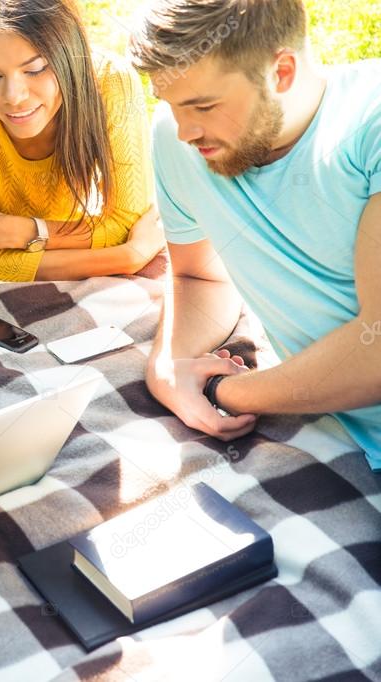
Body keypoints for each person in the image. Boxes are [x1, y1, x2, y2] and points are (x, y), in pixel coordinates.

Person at [130, 0, 381, 469]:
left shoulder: (370, 125)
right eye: (170, 104)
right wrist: (169, 370)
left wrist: (227, 390)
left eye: (203, 105)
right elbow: (200, 278)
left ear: (281, 71)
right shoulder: (178, 138)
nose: (184, 130)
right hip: (329, 436)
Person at [0, 0, 164, 281]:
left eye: (35, 70)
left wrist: (15, 231)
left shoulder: (111, 83)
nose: (14, 97)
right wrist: (129, 257)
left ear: (68, 55)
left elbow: (125, 224)